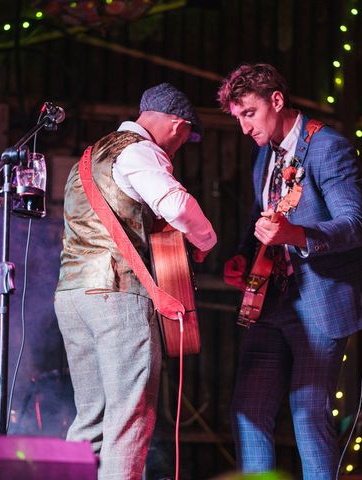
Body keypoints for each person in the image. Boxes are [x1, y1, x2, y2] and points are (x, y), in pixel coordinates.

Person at [218, 63, 362, 479]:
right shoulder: (262, 158)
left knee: (308, 415)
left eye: (248, 113)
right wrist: (241, 254)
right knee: (247, 411)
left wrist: (297, 234)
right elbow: (261, 217)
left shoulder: (328, 147)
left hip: (320, 302)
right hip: (272, 302)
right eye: (237, 118)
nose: (244, 127)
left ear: (276, 100)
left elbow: (355, 225)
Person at [54, 82, 217, 479]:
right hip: (117, 295)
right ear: (179, 127)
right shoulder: (140, 151)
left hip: (73, 296)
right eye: (183, 140)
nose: (178, 148)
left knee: (90, 419)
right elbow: (177, 204)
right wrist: (206, 240)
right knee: (129, 417)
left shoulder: (90, 157)